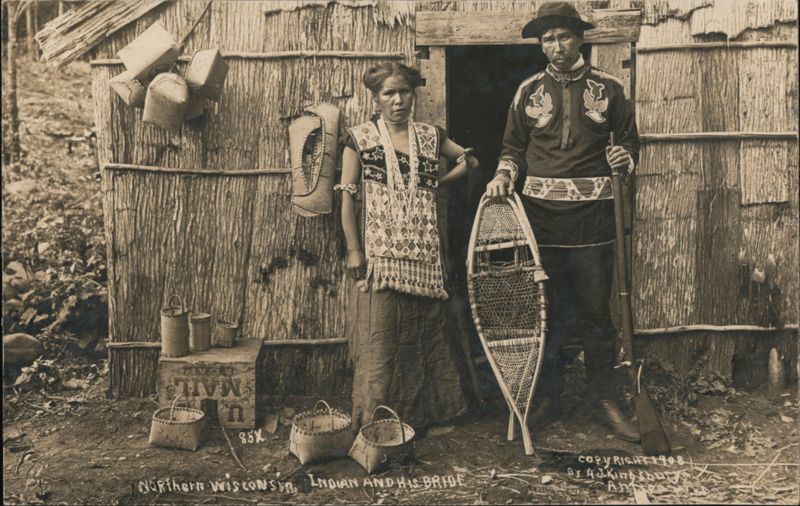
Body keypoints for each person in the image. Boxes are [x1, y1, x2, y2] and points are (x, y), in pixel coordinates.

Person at [485, 2, 640, 442]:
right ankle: (547, 398)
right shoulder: (527, 90)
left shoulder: (609, 88)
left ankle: (605, 399)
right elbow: (512, 148)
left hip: (593, 222)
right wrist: (502, 175)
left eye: (563, 37)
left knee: (595, 315)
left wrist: (622, 155)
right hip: (540, 223)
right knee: (545, 313)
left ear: (580, 39)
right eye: (547, 39)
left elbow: (629, 139)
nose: (556, 46)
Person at [337, 62, 478, 432]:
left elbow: (470, 159)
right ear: (376, 98)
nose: (398, 100)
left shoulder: (430, 136)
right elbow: (348, 199)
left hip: (425, 260)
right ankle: (374, 421)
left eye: (405, 92)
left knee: (428, 337)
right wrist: (355, 250)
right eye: (389, 93)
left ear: (413, 94)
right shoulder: (360, 138)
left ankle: (428, 416)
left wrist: (441, 183)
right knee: (381, 341)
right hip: (379, 260)